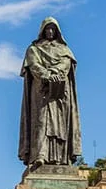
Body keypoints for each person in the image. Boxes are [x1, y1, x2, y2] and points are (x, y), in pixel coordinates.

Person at [18, 17, 82, 167]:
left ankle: (60, 158)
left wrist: (54, 73)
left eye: (53, 28)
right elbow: (34, 65)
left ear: (58, 31)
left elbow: (66, 64)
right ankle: (40, 155)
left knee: (59, 125)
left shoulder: (64, 50)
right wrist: (47, 76)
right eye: (48, 28)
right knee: (41, 121)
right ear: (43, 31)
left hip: (60, 93)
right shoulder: (34, 49)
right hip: (41, 90)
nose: (50, 31)